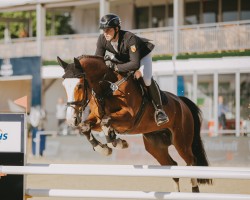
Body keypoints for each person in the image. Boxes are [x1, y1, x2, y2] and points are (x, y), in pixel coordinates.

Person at [95, 13, 169, 126]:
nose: (105, 33)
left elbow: (134, 64)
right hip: (123, 56)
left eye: (108, 30)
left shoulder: (130, 38)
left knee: (146, 78)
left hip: (141, 56)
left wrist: (115, 67)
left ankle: (159, 110)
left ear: (116, 29)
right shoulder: (102, 39)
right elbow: (98, 60)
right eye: (103, 30)